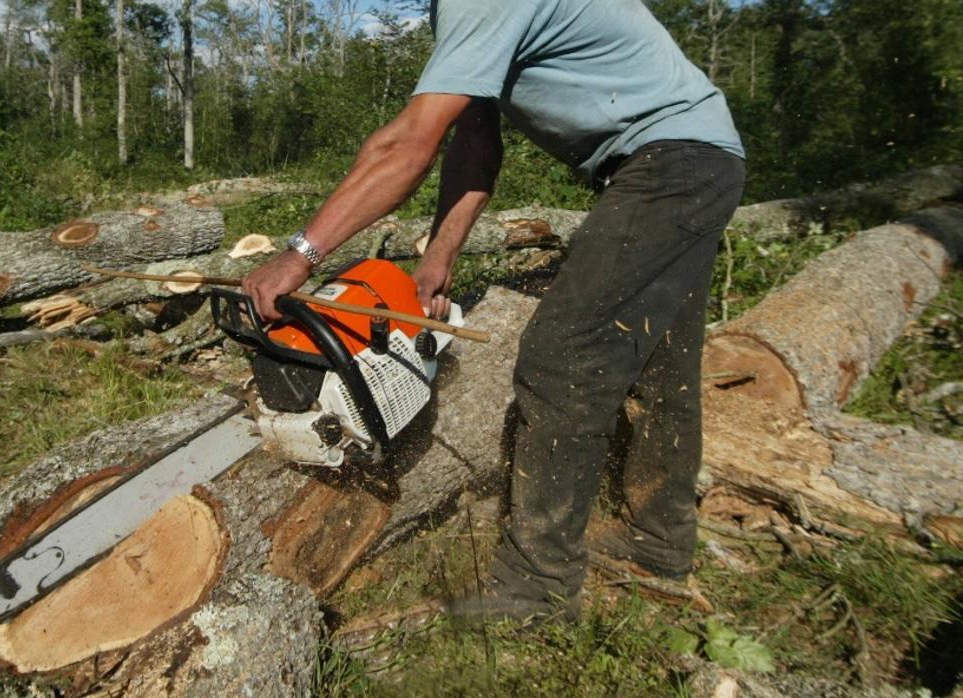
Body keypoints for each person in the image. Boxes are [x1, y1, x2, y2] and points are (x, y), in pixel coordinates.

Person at [241, 0, 746, 623]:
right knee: (659, 360)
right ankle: (658, 544)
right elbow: (475, 145)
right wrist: (440, 256)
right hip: (695, 157)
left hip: (674, 161)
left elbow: (405, 145)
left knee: (565, 356)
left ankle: (539, 585)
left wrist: (301, 253)